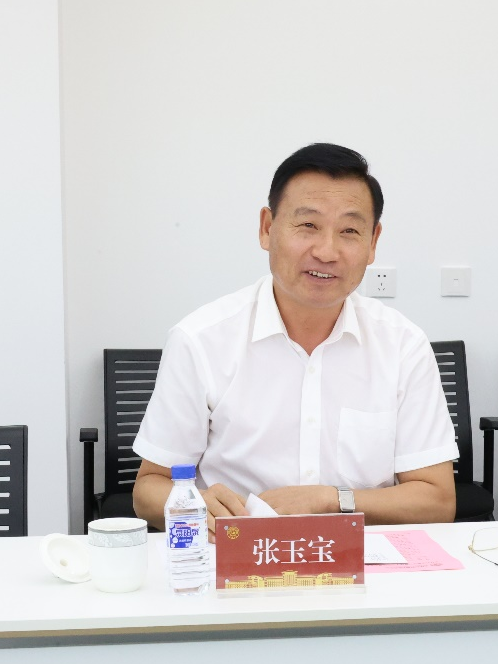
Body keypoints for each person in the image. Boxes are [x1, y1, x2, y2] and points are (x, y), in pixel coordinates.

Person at [131, 143, 458, 534]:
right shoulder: (201, 340)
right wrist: (199, 505)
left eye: (349, 231)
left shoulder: (404, 345)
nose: (327, 251)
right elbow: (148, 491)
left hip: (364, 562)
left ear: (373, 243)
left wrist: (332, 500)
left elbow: (437, 500)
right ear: (267, 228)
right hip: (239, 553)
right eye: (308, 226)